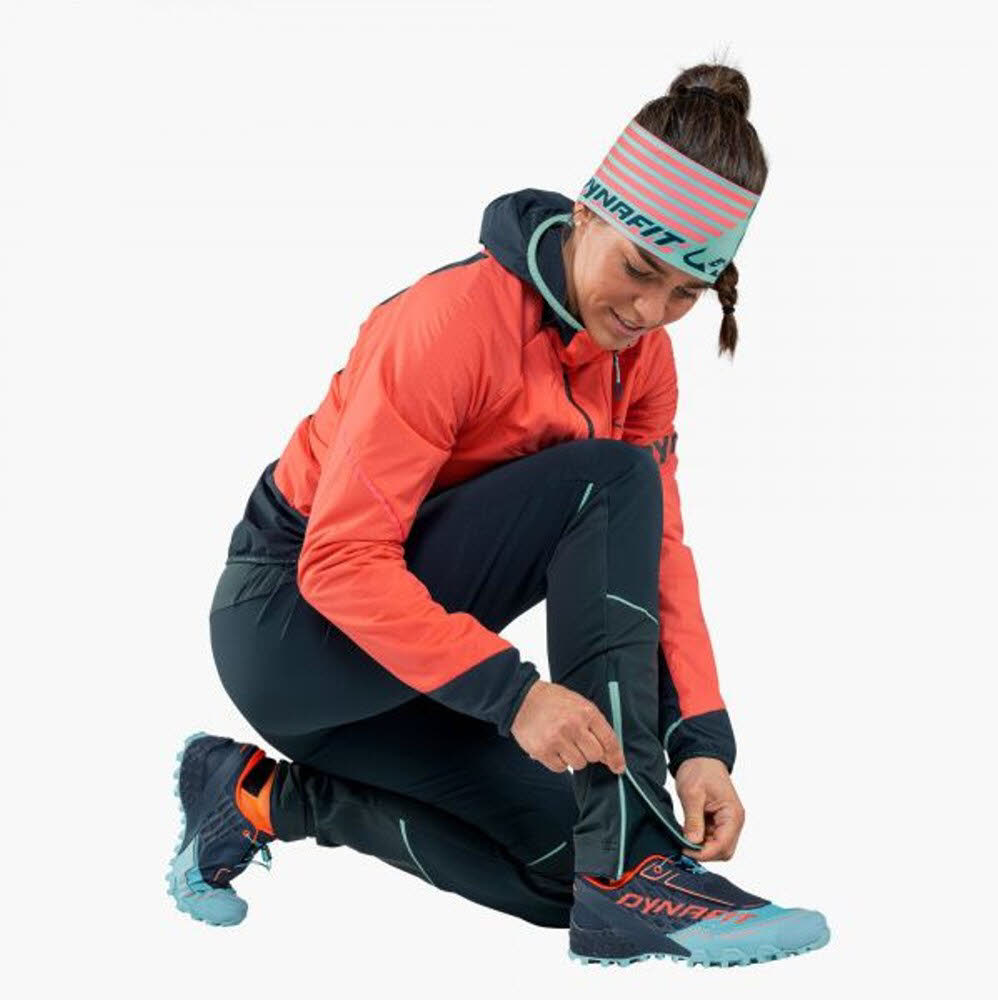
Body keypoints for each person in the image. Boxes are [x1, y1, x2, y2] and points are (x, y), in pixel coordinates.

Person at [166, 63, 830, 968]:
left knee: (566, 877)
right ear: (588, 211)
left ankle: (255, 798)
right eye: (639, 270)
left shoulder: (642, 361)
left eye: (685, 294)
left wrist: (700, 745)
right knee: (612, 479)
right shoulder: (449, 322)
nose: (650, 311)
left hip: (402, 674)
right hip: (289, 630)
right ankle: (636, 865)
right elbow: (341, 562)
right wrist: (513, 697)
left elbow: (658, 556)